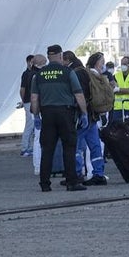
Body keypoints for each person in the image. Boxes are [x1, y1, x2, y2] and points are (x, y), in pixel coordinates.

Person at [30, 44, 89, 192]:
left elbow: (34, 98)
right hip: (65, 114)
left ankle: (45, 184)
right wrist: (84, 113)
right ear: (61, 55)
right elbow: (79, 94)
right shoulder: (68, 72)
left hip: (47, 114)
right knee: (69, 148)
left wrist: (36, 115)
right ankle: (71, 182)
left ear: (48, 56)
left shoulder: (39, 75)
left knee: (47, 149)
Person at [75, 53, 110, 186]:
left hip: (86, 115)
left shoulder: (84, 74)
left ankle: (77, 173)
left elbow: (80, 95)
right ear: (97, 62)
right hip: (95, 116)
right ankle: (98, 173)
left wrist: (82, 113)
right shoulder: (99, 77)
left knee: (77, 146)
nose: (103, 64)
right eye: (102, 61)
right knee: (95, 145)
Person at [19, 55, 36, 157]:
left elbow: (22, 90)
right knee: (30, 125)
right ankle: (25, 148)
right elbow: (22, 89)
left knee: (32, 125)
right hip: (29, 102)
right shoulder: (26, 74)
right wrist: (24, 100)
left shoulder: (28, 74)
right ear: (29, 62)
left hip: (28, 101)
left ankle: (28, 147)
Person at [112, 55, 129, 124]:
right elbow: (113, 90)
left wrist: (118, 89)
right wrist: (127, 90)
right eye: (122, 64)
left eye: (124, 64)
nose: (123, 66)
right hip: (117, 108)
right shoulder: (115, 76)